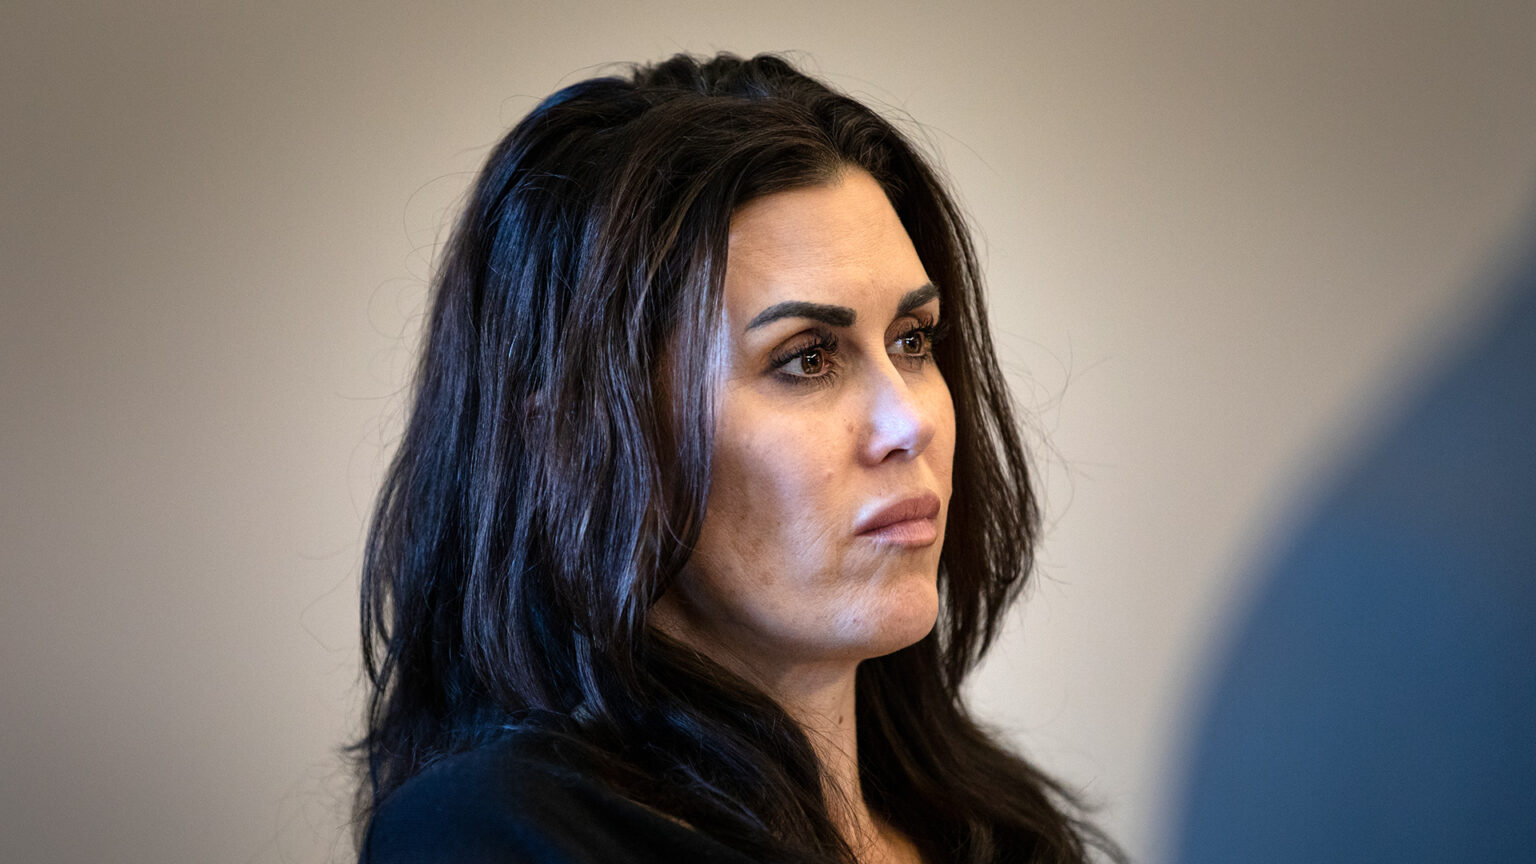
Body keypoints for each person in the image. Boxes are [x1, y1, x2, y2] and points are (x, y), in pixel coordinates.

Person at [355, 52, 1117, 864]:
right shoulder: (493, 836)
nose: (910, 422)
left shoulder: (1002, 830)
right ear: (578, 441)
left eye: (912, 339)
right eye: (807, 358)